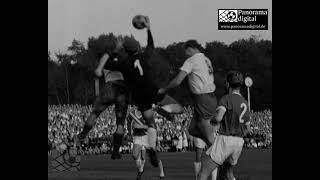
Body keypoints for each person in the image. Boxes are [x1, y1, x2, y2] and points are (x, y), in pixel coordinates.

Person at [97, 16, 183, 167]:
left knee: (150, 122)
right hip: (152, 90)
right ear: (137, 48)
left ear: (126, 51)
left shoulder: (123, 63)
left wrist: (114, 51)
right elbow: (151, 45)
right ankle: (154, 141)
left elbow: (108, 64)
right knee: (177, 110)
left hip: (138, 95)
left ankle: (153, 146)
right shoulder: (144, 55)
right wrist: (148, 28)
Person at [75, 40, 130, 159]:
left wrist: (99, 69)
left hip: (109, 88)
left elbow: (106, 56)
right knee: (120, 123)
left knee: (95, 113)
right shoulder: (124, 60)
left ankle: (82, 136)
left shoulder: (107, 58)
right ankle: (115, 151)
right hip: (122, 90)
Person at [158, 39, 218, 147]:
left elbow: (177, 80)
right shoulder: (206, 59)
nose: (186, 55)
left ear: (190, 48)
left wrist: (164, 89)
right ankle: (213, 146)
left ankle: (219, 155)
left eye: (186, 52)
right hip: (208, 97)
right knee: (192, 129)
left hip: (203, 99)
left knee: (208, 136)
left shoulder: (192, 60)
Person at [198, 70, 252, 180]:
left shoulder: (226, 98)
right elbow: (248, 129)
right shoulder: (245, 102)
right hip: (238, 143)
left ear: (228, 84)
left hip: (225, 140)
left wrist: (211, 120)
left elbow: (218, 118)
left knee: (203, 172)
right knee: (227, 174)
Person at [128, 109, 165, 180]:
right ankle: (141, 169)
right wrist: (130, 132)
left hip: (147, 136)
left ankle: (162, 172)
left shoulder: (147, 114)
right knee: (135, 155)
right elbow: (129, 122)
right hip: (137, 136)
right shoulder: (131, 113)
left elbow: (153, 126)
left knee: (155, 158)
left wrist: (141, 127)